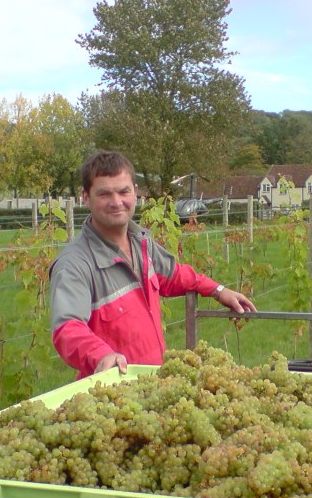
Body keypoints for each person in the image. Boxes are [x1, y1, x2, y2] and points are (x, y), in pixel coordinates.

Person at [49, 150, 256, 379]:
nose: (116, 202)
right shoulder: (75, 265)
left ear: (136, 193)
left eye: (123, 191)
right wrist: (101, 355)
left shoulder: (141, 243)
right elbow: (67, 328)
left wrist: (218, 290)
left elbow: (175, 275)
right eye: (104, 194)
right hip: (113, 393)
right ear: (85, 197)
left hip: (153, 383)